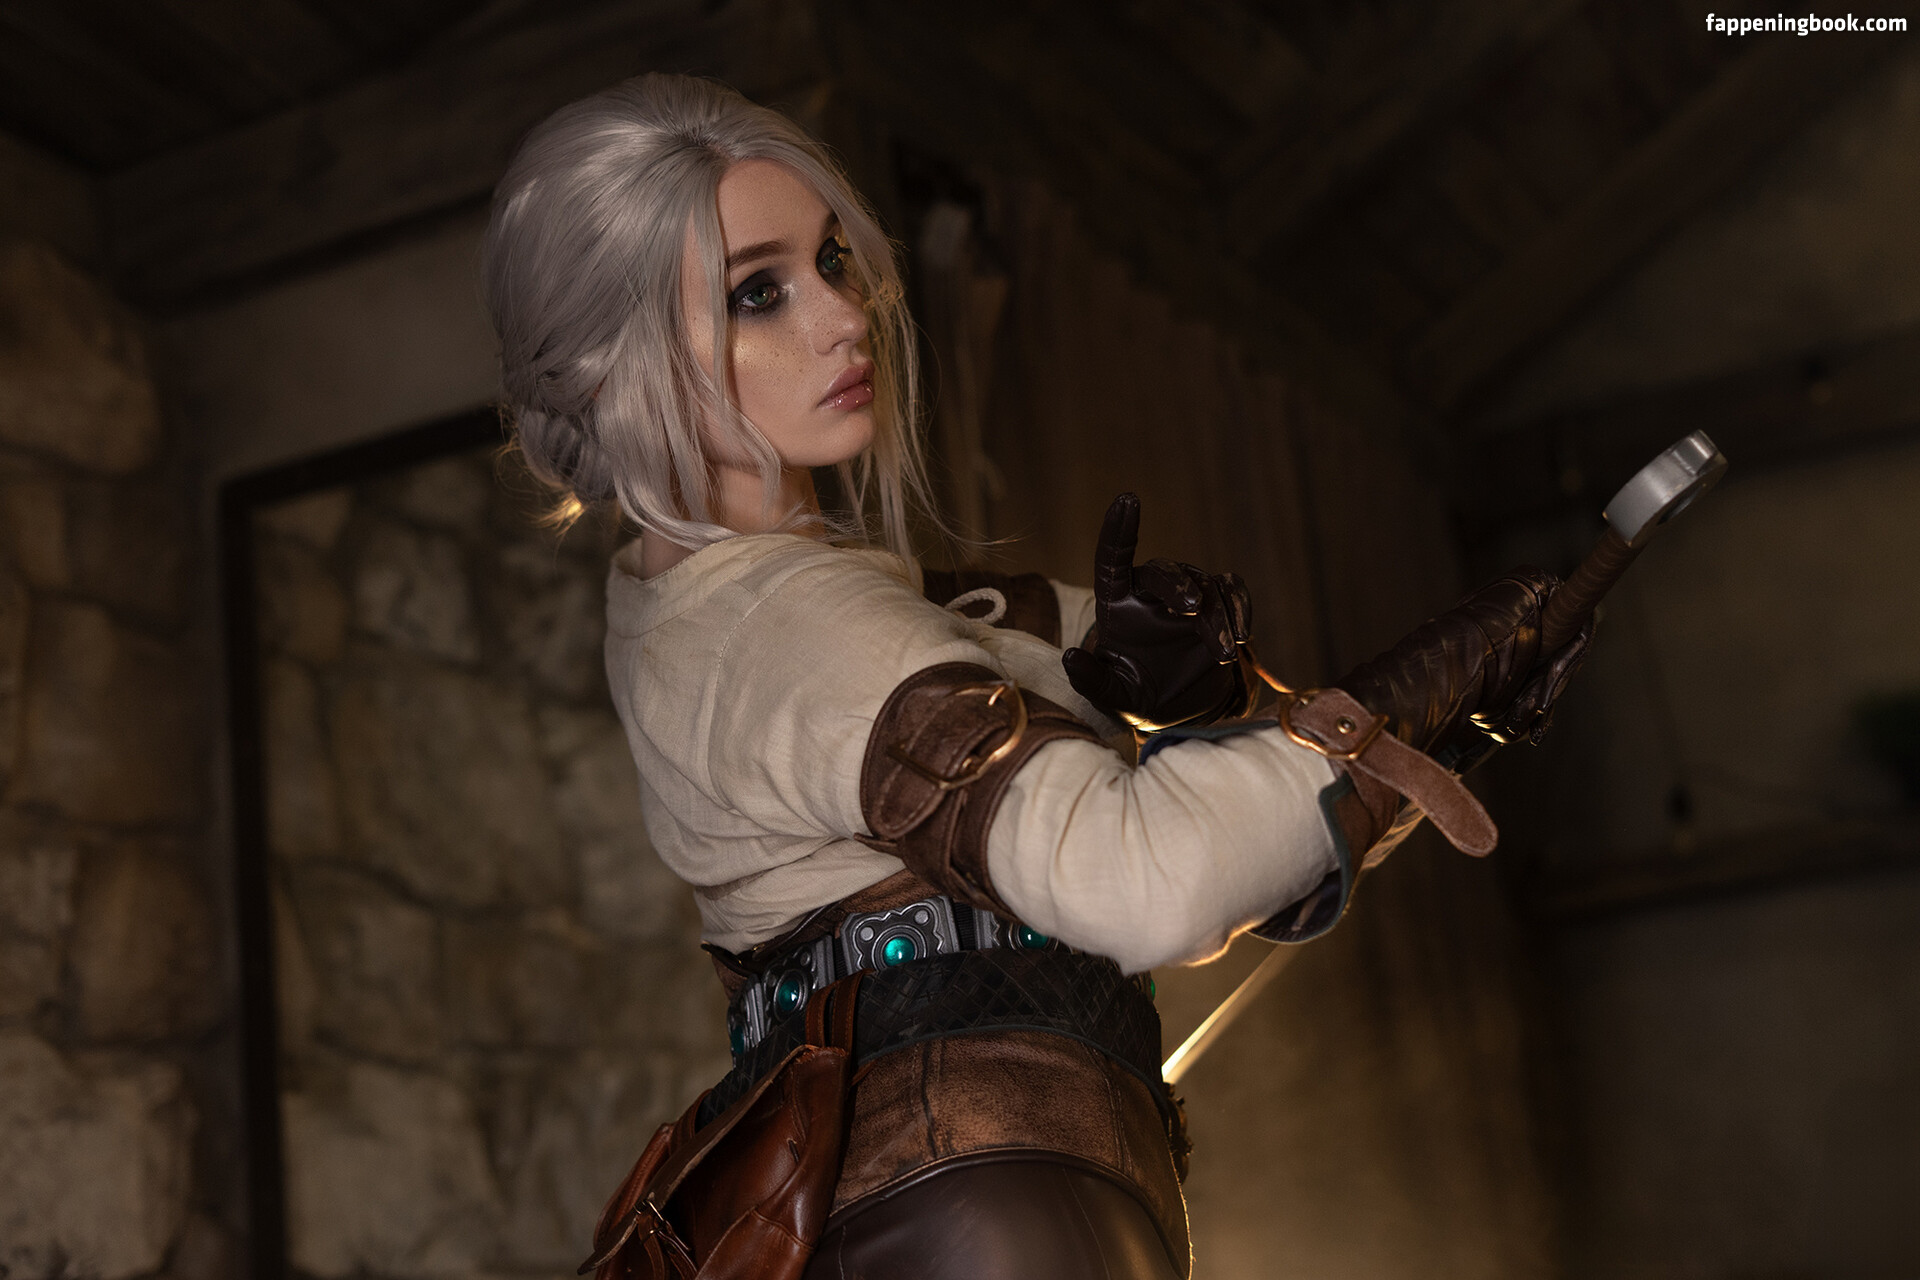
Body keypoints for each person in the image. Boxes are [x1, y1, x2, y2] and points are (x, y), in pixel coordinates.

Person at [482, 74, 1589, 1280]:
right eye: (759, 293)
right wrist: (1395, 711)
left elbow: (961, 697)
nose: (844, 317)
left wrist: (1158, 685)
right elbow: (1148, 879)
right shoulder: (786, 622)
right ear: (613, 367)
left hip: (978, 1195)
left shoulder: (701, 606)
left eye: (832, 260)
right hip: (992, 1207)